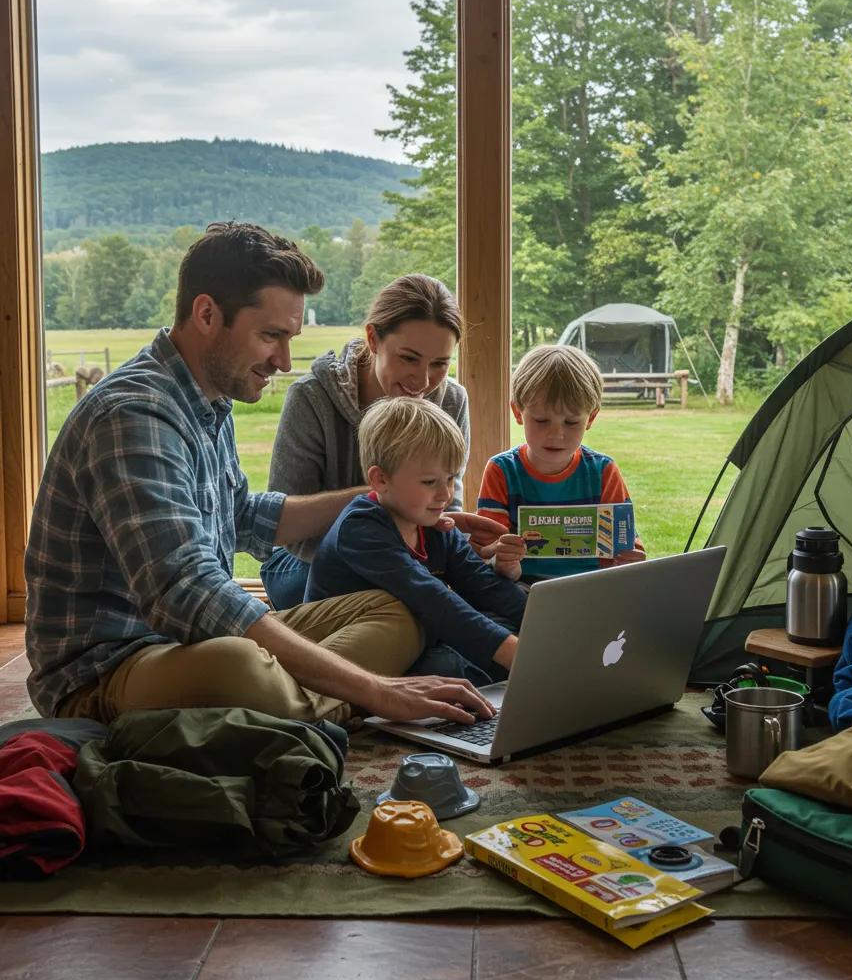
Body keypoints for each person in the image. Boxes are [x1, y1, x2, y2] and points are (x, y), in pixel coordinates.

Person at [24, 222, 493, 728]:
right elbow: (187, 589)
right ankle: (342, 703)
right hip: (110, 670)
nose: (285, 361)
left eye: (289, 338)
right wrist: (378, 690)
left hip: (196, 648)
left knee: (394, 611)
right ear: (207, 314)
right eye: (271, 336)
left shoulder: (207, 400)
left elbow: (245, 516)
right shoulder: (133, 415)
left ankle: (288, 706)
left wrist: (388, 498)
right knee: (242, 664)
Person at [262, 273, 502, 610]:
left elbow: (444, 507)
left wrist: (459, 544)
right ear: (373, 339)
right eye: (408, 358)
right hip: (307, 563)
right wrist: (387, 523)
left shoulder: (451, 401)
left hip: (407, 562)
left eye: (439, 364)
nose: (422, 379)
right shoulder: (312, 398)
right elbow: (286, 531)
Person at [306, 397, 525, 683]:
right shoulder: (360, 529)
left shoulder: (433, 524)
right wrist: (516, 653)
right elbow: (432, 599)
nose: (445, 495)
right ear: (381, 480)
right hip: (351, 658)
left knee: (507, 620)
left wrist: (547, 626)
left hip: (421, 639)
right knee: (449, 665)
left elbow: (484, 584)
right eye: (429, 482)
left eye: (450, 479)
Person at [477, 344, 646, 583]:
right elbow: (488, 557)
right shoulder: (501, 471)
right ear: (517, 412)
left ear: (591, 418)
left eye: (571, 422)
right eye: (542, 420)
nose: (556, 435)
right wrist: (504, 562)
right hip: (523, 587)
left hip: (591, 587)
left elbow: (626, 549)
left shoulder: (604, 471)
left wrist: (631, 559)